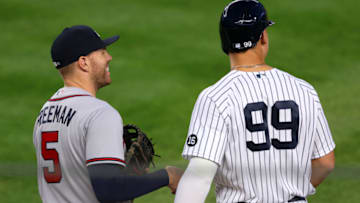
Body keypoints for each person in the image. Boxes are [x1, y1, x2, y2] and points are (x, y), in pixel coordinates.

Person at [174, 0, 335, 202]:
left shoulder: (216, 97)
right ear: (263, 37)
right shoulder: (304, 90)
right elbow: (325, 163)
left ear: (225, 41)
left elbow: (199, 176)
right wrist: (295, 189)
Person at [33, 25, 183, 203]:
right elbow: (109, 190)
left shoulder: (44, 114)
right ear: (84, 62)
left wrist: (127, 180)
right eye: (102, 52)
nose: (109, 57)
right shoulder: (99, 114)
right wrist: (168, 176)